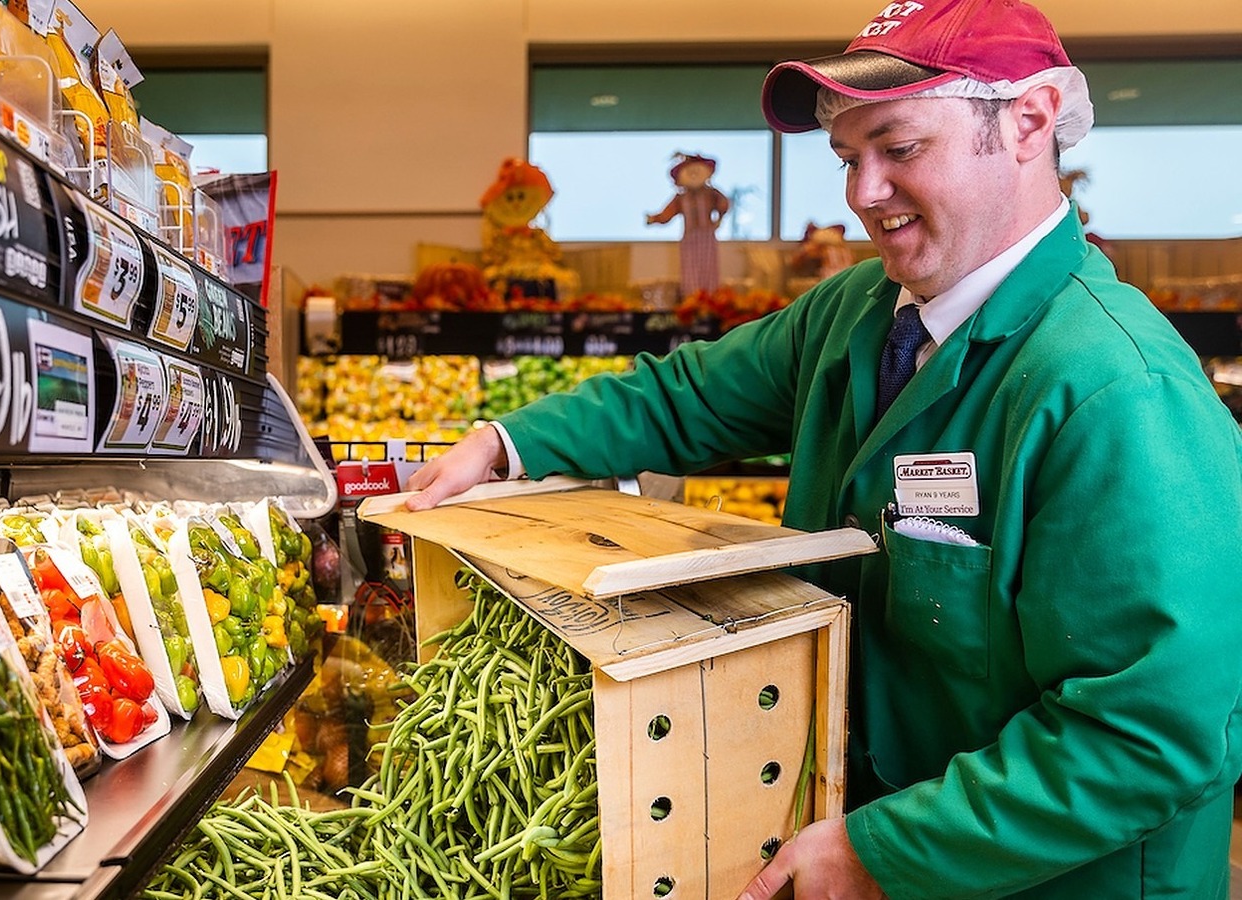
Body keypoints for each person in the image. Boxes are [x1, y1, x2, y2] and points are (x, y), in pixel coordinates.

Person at [406, 0, 1242, 896]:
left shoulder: (1118, 393)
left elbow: (1144, 736)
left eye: (900, 148)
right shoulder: (860, 313)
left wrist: (883, 852)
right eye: (848, 158)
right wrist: (508, 442)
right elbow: (685, 396)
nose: (861, 194)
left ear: (1030, 122)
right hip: (860, 818)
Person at [646, 153, 731, 296]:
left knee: (709, 268)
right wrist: (654, 219)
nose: (694, 174)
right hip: (689, 238)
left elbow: (724, 204)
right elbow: (667, 213)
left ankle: (711, 299)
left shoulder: (711, 193)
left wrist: (719, 219)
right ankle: (692, 298)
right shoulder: (681, 198)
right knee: (690, 269)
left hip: (707, 236)